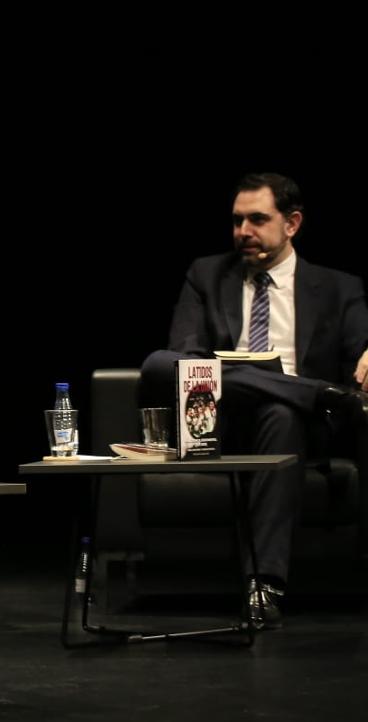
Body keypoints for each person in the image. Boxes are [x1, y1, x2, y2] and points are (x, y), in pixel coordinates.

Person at [140, 172, 368, 629]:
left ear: (293, 224)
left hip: (298, 429)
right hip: (216, 415)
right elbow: (187, 361)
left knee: (280, 414)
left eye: (257, 220)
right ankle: (314, 393)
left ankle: (263, 585)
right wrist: (305, 389)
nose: (243, 232)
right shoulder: (206, 274)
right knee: (156, 364)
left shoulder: (339, 287)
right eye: (237, 220)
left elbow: (359, 358)